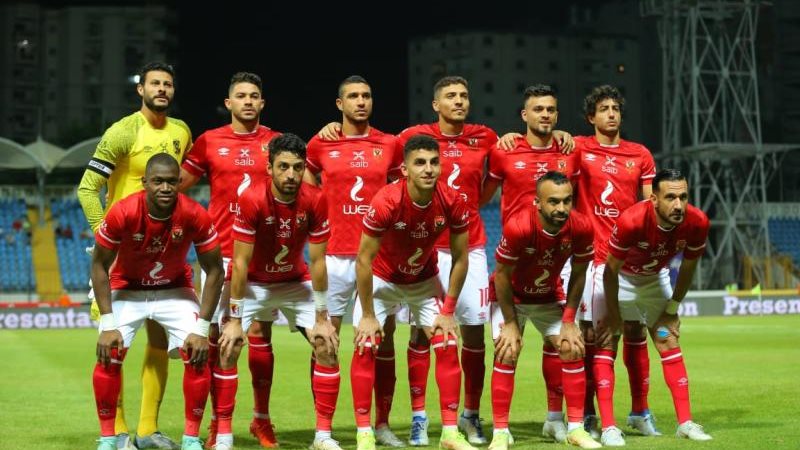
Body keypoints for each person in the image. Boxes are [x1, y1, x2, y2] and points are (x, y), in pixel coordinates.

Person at [77, 61, 192, 450]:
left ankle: (147, 430)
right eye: (154, 83)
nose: (162, 89)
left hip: (161, 251)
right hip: (120, 252)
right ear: (140, 89)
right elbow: (87, 188)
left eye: (168, 84)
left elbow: (181, 184)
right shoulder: (123, 131)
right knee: (113, 345)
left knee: (159, 338)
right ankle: (118, 433)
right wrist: (103, 236)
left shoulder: (181, 132)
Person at [350, 134, 475, 450]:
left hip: (422, 280)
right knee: (366, 344)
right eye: (419, 163)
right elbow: (363, 260)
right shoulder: (387, 201)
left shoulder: (452, 200)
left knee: (447, 340)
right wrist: (367, 315)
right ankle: (365, 433)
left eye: (434, 162)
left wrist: (448, 311)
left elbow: (461, 258)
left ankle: (449, 433)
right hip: (382, 281)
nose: (428, 169)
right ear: (404, 169)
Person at [90, 154, 223, 450]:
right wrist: (108, 323)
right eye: (158, 181)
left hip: (174, 289)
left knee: (198, 352)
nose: (165, 188)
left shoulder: (194, 213)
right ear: (145, 183)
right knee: (109, 352)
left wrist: (202, 328)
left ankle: (191, 440)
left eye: (172, 182)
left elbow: (215, 269)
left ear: (179, 183)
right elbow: (99, 265)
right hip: (127, 288)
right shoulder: (123, 211)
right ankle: (108, 439)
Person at [217, 133, 341, 450]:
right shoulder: (252, 198)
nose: (290, 175)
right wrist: (235, 320)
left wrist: (322, 317)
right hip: (252, 283)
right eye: (283, 166)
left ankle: (323, 437)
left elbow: (318, 261)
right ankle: (223, 435)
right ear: (269, 168)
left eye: (297, 167)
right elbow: (239, 263)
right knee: (228, 347)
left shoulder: (315, 199)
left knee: (327, 344)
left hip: (293, 281)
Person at [178, 71, 281, 449]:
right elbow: (174, 186)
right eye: (241, 95)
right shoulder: (209, 141)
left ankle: (261, 420)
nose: (248, 101)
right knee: (215, 341)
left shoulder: (275, 142)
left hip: (263, 256)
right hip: (219, 255)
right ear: (229, 103)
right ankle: (216, 426)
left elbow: (305, 179)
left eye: (254, 95)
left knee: (260, 336)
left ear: (262, 102)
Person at [395, 76, 498, 445]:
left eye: (464, 96)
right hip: (423, 245)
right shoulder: (413, 137)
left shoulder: (485, 137)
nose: (459, 101)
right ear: (435, 104)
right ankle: (419, 418)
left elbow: (491, 182)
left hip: (469, 247)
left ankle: (470, 415)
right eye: (451, 96)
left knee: (474, 332)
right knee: (420, 334)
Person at [307, 75, 405, 446]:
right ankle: (323, 431)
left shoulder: (389, 144)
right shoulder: (321, 142)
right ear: (339, 104)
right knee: (325, 339)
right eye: (353, 96)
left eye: (366, 95)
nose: (361, 102)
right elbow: (307, 184)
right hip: (333, 256)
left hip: (377, 256)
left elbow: (400, 190)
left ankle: (381, 425)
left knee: (382, 339)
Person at [482, 84, 581, 443]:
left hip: (556, 256)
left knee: (566, 344)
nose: (545, 115)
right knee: (507, 347)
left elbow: (578, 199)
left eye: (550, 109)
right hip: (514, 258)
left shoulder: (570, 151)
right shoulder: (505, 150)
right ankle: (500, 429)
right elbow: (481, 196)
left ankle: (557, 420)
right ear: (524, 115)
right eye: (538, 109)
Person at [489, 171, 600, 450]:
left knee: (572, 346)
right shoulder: (519, 227)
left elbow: (579, 274)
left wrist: (569, 320)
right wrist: (510, 324)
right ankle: (500, 431)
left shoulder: (581, 226)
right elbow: (501, 276)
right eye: (553, 202)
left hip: (548, 296)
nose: (561, 208)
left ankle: (571, 427)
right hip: (511, 298)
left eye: (567, 201)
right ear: (537, 202)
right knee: (507, 350)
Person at [601, 168, 712, 442]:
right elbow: (610, 271)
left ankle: (685, 423)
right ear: (654, 199)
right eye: (671, 197)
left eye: (683, 197)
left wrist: (672, 309)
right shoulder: (632, 220)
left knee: (668, 339)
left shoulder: (697, 222)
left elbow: (687, 268)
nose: (678, 205)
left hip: (654, 280)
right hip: (622, 279)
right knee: (608, 342)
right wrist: (613, 315)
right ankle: (608, 427)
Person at [573, 85, 657, 446]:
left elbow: (651, 205)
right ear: (591, 117)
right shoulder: (577, 147)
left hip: (629, 259)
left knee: (635, 333)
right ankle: (589, 412)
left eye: (616, 108)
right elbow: (546, 144)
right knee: (593, 337)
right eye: (604, 108)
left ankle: (640, 411)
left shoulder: (639, 154)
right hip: (593, 259)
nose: (611, 113)